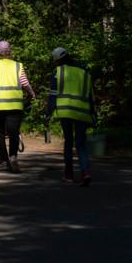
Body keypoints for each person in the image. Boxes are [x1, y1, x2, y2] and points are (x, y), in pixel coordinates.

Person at [0, 40, 36, 172]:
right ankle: (13, 158)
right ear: (10, 51)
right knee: (13, 134)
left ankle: (4, 160)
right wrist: (31, 93)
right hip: (15, 105)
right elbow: (24, 82)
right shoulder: (18, 66)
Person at [49, 46, 95, 186]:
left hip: (65, 112)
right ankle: (85, 172)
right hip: (82, 112)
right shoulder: (85, 72)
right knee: (81, 144)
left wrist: (48, 112)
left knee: (68, 142)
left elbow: (53, 95)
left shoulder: (58, 71)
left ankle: (68, 175)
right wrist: (93, 113)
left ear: (57, 60)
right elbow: (91, 95)